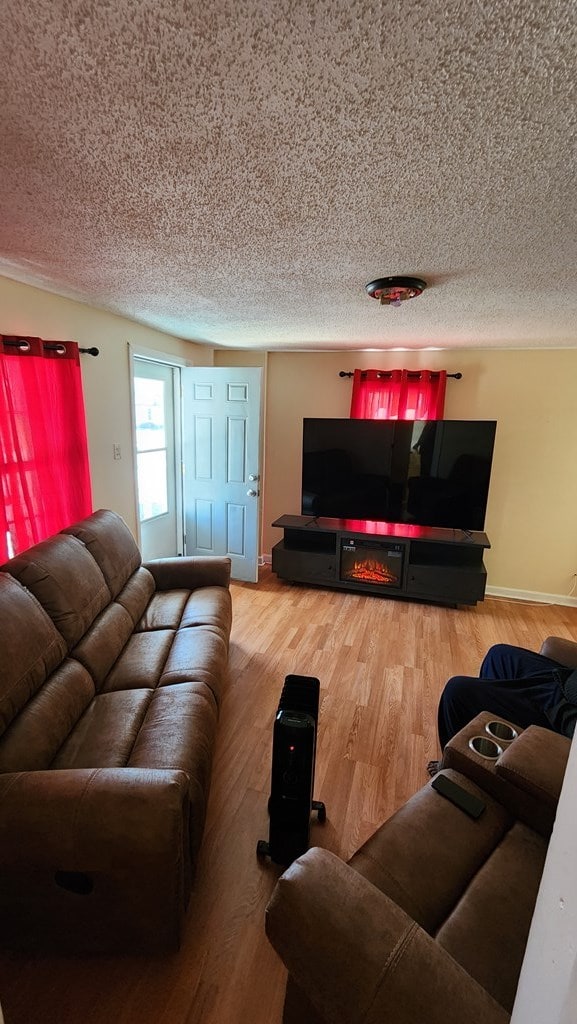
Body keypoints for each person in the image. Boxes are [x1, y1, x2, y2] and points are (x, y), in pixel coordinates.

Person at [428, 643, 577, 776]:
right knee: (497, 655)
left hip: (567, 711)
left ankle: (453, 766)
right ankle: (480, 746)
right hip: (566, 681)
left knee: (457, 691)